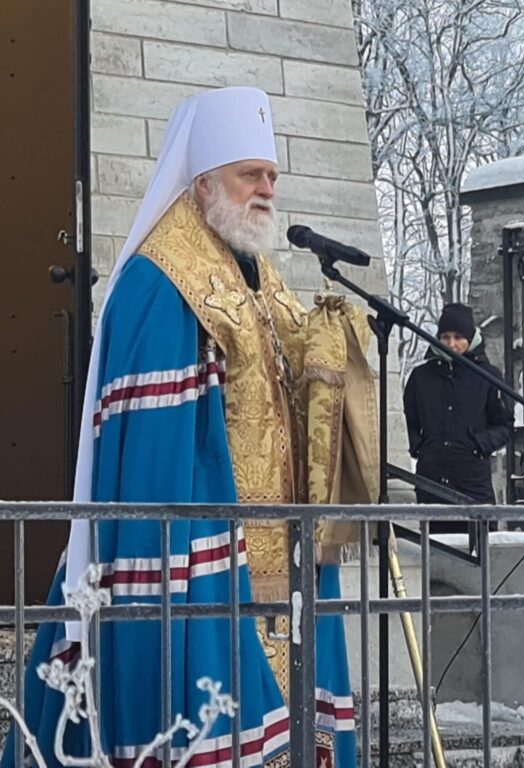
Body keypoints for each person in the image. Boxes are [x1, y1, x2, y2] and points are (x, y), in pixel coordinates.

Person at [3, 87, 376, 768]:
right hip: (212, 561)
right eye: (251, 175)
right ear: (204, 183)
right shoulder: (161, 279)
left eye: (272, 175)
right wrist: (203, 561)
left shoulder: (259, 272)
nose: (267, 188)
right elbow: (159, 455)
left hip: (278, 559)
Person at [403, 303, 514, 524]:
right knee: (434, 548)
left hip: (472, 480)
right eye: (445, 337)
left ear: (470, 339)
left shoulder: (488, 376)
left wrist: (478, 444)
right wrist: (420, 446)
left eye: (458, 337)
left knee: (479, 546)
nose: (451, 344)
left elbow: (505, 425)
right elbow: (409, 418)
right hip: (431, 477)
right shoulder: (421, 376)